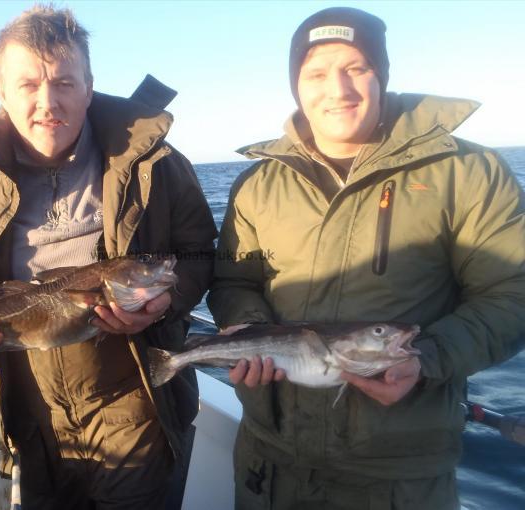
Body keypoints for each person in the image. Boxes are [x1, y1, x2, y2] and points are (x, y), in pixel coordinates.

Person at [207, 6, 525, 510]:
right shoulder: (257, 183)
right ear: (296, 85)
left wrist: (427, 360)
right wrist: (251, 333)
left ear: (381, 75)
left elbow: (513, 293)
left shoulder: (468, 172)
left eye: (355, 68)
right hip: (269, 464)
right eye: (315, 73)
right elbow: (232, 282)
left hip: (398, 477)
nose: (338, 89)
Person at [0, 5, 217, 509]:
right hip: (22, 402)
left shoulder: (153, 162)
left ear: (89, 84)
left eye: (63, 83)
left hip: (132, 398)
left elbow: (198, 255)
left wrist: (163, 304)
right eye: (28, 85)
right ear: (1, 92)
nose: (47, 102)